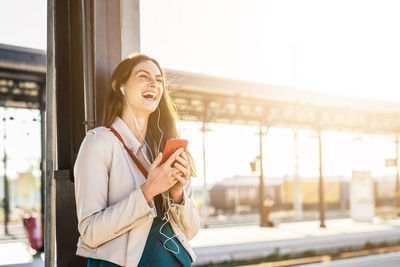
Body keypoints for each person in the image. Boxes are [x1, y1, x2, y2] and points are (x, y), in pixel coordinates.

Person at [74, 53, 200, 267]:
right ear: (119, 86)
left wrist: (177, 194)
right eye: (144, 76)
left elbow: (191, 231)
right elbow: (90, 233)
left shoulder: (166, 148)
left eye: (159, 80)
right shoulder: (99, 143)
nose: (154, 83)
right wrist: (148, 191)